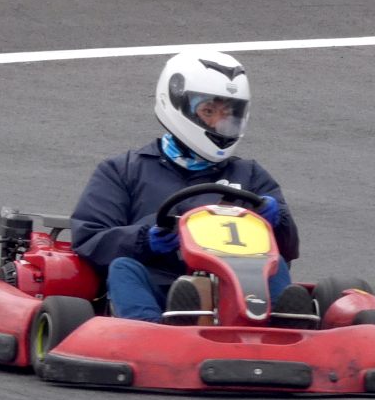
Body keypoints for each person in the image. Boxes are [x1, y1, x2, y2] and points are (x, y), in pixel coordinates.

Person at [69, 48, 311, 321]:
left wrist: (277, 221)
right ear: (177, 104)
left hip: (238, 287)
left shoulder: (250, 174)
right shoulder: (123, 170)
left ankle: (285, 328)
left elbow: (288, 250)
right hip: (160, 284)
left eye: (228, 113)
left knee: (276, 264)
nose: (221, 122)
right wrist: (144, 239)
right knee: (124, 268)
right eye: (209, 111)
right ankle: (151, 333)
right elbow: (89, 239)